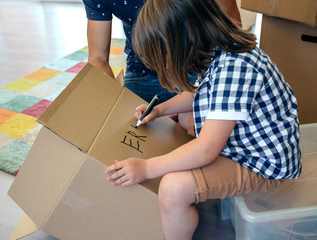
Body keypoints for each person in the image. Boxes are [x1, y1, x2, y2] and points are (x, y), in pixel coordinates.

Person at [105, 0, 301, 239]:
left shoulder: (234, 68)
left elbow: (207, 149)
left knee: (173, 188)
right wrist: (160, 110)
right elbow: (196, 95)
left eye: (164, 57)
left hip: (264, 167)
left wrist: (146, 168)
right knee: (187, 119)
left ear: (184, 39)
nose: (164, 66)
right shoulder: (219, 51)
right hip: (250, 151)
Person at [82, 0, 241, 103]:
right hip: (142, 71)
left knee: (194, 127)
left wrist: (206, 92)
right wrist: (111, 104)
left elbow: (231, 32)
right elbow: (97, 58)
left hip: (199, 67)